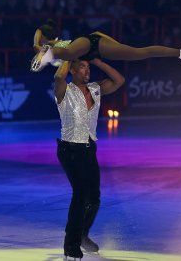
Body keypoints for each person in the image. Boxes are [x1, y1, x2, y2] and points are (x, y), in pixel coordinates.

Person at [54, 58, 125, 260]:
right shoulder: (64, 90)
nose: (88, 70)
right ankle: (71, 245)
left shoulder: (95, 89)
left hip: (88, 149)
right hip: (70, 150)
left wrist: (97, 60)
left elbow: (119, 80)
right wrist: (69, 55)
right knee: (80, 194)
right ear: (73, 70)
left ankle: (83, 234)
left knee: (94, 198)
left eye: (89, 66)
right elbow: (58, 76)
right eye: (83, 66)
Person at [30, 19, 181, 72]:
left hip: (88, 44)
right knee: (138, 54)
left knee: (67, 53)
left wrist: (38, 45)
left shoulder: (50, 43)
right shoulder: (54, 48)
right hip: (94, 48)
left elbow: (39, 30)